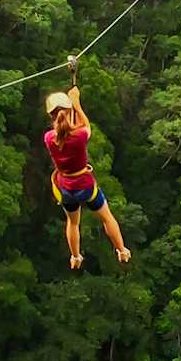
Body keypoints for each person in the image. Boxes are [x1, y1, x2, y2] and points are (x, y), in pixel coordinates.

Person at [43, 77, 129, 270]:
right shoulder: (80, 136)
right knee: (107, 217)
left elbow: (66, 130)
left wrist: (70, 109)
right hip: (85, 186)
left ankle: (75, 257)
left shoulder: (49, 138)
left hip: (66, 189)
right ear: (68, 112)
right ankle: (122, 251)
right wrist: (77, 104)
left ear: (51, 116)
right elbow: (86, 126)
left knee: (73, 223)